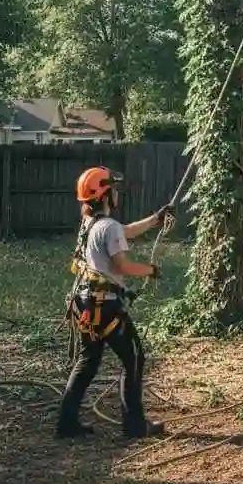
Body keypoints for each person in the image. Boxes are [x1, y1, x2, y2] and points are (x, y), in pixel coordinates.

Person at [56, 167, 174, 440]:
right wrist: (151, 271)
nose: (117, 192)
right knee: (133, 359)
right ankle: (134, 426)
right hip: (106, 307)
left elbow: (127, 231)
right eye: (114, 188)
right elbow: (123, 264)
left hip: (86, 304)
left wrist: (156, 219)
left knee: (87, 361)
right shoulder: (107, 227)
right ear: (106, 194)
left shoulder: (90, 225)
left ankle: (66, 423)